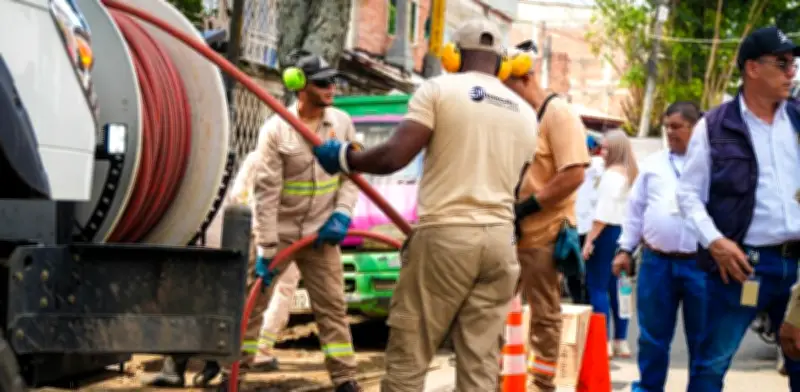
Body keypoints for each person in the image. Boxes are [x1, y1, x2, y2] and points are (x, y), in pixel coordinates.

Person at [311, 19, 538, 392]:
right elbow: (518, 184)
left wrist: (346, 158)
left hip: (445, 237)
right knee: (480, 365)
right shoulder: (525, 113)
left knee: (410, 355)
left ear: (453, 56)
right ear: (503, 64)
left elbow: (394, 156)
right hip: (499, 245)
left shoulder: (438, 90)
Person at [676, 26, 800, 392]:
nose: (791, 72)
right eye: (782, 63)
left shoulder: (796, 120)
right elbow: (688, 195)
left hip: (796, 271)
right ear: (752, 68)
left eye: (794, 64)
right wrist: (715, 242)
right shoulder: (714, 126)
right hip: (743, 267)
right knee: (710, 366)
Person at [251, 52, 362, 392]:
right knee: (252, 304)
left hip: (321, 233)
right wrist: (266, 247)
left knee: (332, 309)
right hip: (281, 235)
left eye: (333, 81)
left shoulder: (341, 123)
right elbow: (265, 192)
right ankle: (233, 374)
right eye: (323, 82)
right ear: (300, 86)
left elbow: (352, 175)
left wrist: (342, 214)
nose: (331, 88)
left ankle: (345, 379)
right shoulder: (275, 131)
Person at [503, 41, 590, 392]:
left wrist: (527, 207)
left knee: (544, 313)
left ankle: (542, 381)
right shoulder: (516, 117)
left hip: (544, 233)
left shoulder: (559, 115)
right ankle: (499, 377)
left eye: (507, 86)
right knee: (493, 308)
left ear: (525, 78)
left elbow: (573, 174)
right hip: (509, 233)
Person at [612, 102, 705, 391]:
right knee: (652, 338)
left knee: (702, 339)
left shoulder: (712, 165)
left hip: (700, 264)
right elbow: (635, 211)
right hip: (657, 262)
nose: (670, 133)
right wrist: (625, 249)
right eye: (667, 127)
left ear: (696, 128)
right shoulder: (653, 165)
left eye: (677, 126)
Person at [581, 129, 638, 358]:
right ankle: (621, 340)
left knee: (597, 287)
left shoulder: (610, 177)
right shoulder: (632, 175)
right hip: (625, 235)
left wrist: (589, 241)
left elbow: (601, 215)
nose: (602, 152)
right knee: (621, 289)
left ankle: (602, 341)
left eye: (606, 148)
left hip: (605, 234)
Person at [573, 135, 604, 304]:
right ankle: (581, 302)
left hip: (589, 226)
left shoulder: (598, 166)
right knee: (577, 271)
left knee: (586, 272)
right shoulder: (576, 167)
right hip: (577, 224)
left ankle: (585, 303)